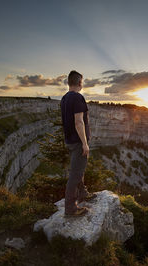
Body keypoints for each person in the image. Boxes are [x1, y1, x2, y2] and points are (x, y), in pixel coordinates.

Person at [60, 70, 96, 216]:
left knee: (78, 170)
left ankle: (83, 193)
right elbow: (79, 122)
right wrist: (84, 143)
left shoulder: (64, 98)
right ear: (80, 83)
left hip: (69, 140)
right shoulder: (78, 98)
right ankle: (70, 209)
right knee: (75, 174)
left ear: (69, 82)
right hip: (77, 142)